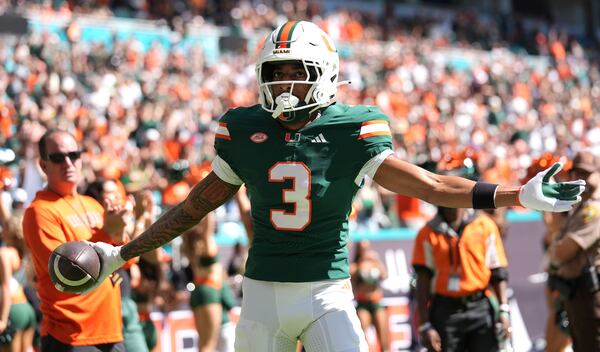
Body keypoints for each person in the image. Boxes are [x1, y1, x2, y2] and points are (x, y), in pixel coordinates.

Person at [83, 20, 585, 352]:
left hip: (327, 291)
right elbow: (193, 208)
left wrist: (516, 195)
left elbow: (429, 185)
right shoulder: (243, 130)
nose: (281, 86)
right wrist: (124, 250)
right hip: (260, 294)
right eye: (273, 74)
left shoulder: (353, 129)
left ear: (323, 75)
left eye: (294, 74)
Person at [22, 130, 129, 352]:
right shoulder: (39, 212)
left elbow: (125, 263)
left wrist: (120, 234)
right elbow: (66, 272)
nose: (68, 163)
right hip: (70, 335)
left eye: (74, 154)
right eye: (58, 157)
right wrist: (108, 233)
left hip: (111, 330)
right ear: (43, 166)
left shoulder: (93, 204)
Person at [547, 150, 600, 351]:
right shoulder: (580, 206)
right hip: (577, 294)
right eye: (575, 173)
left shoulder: (594, 209)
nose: (579, 179)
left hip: (591, 295)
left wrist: (555, 251)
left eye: (586, 173)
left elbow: (562, 252)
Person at [0, 215, 36, 352]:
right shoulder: (23, 254)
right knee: (28, 349)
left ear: (11, 231)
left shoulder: (4, 253)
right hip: (27, 308)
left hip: (12, 310)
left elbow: (5, 286)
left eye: (5, 227)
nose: (2, 230)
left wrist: (3, 319)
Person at [350, 240, 389, 352]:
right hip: (362, 303)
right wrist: (360, 267)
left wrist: (376, 261)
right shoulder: (355, 266)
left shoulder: (375, 263)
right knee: (363, 339)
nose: (365, 251)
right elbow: (350, 277)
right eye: (363, 249)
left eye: (367, 248)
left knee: (384, 340)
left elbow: (384, 275)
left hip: (376, 302)